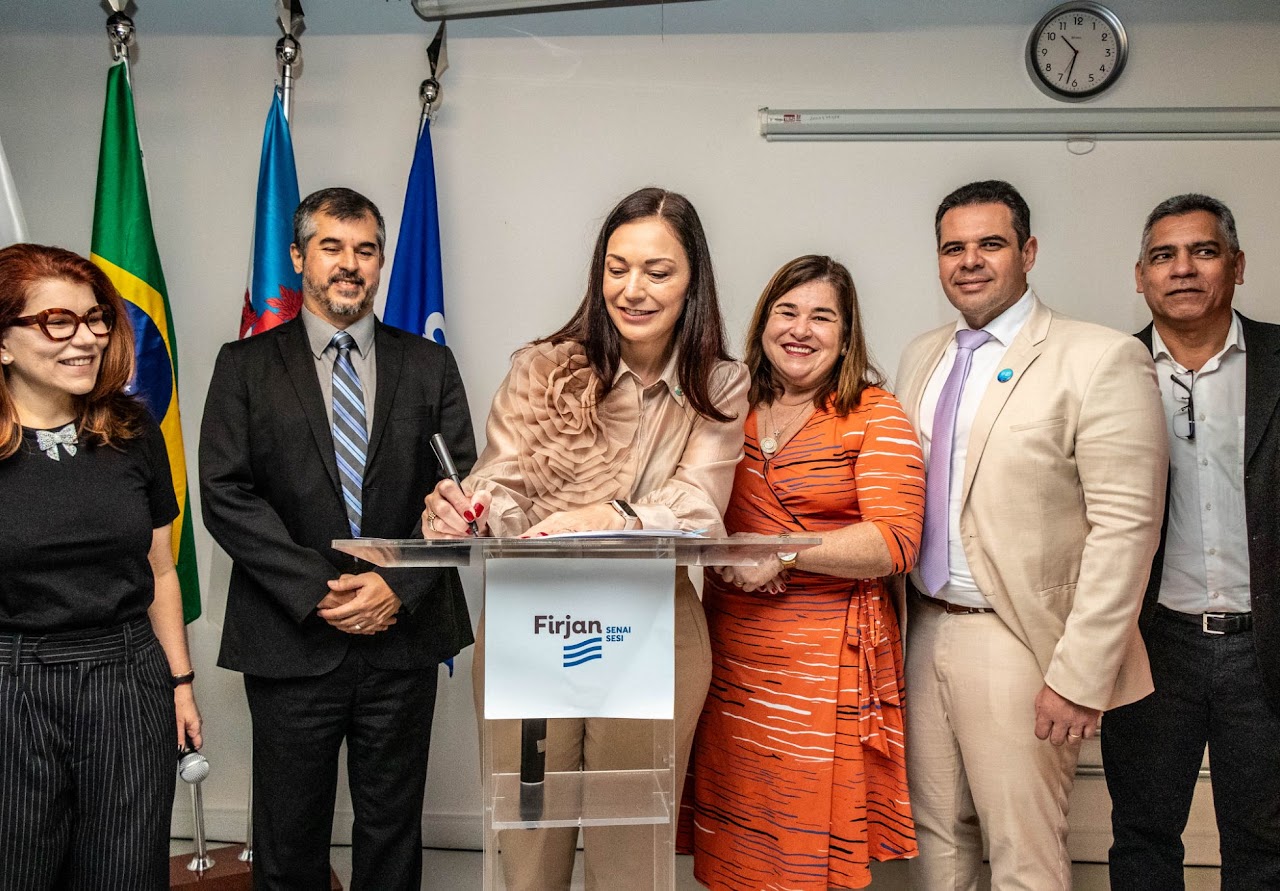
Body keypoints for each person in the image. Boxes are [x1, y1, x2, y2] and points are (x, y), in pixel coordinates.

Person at [424, 186, 748, 890]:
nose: (632, 289)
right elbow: (503, 483)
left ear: (693, 280)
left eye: (657, 271)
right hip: (533, 623)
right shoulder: (542, 367)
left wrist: (607, 514)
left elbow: (699, 506)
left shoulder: (719, 383)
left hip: (651, 627)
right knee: (527, 846)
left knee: (629, 859)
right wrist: (470, 509)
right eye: (616, 268)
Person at [199, 187, 476, 890]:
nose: (350, 264)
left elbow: (461, 491)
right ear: (298, 257)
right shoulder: (243, 365)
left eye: (366, 249)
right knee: (288, 839)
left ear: (381, 261)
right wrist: (321, 591)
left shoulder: (430, 365)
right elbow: (226, 496)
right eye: (332, 247)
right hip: (290, 636)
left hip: (403, 636)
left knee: (392, 833)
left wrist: (396, 584)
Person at [894, 180, 1167, 890]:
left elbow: (1126, 532)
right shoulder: (922, 356)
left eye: (990, 244)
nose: (969, 261)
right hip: (922, 626)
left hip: (1019, 637)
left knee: (1025, 855)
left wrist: (1080, 676)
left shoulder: (1097, 357)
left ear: (1029, 251)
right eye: (953, 247)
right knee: (936, 845)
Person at [681, 255, 924, 890]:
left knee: (805, 843)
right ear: (763, 322)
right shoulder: (726, 407)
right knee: (736, 841)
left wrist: (784, 551)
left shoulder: (873, 413)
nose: (800, 329)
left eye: (822, 317)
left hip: (824, 665)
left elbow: (895, 541)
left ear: (846, 334)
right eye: (786, 312)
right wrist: (730, 552)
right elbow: (687, 505)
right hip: (728, 657)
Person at [0, 243, 201, 889]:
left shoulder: (133, 428)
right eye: (57, 321)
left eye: (95, 319)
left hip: (128, 680)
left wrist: (180, 683)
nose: (86, 338)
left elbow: (161, 570)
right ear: (3, 343)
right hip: (12, 685)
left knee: (126, 874)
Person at [1102, 194, 1280, 889]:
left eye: (1203, 251)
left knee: (1264, 849)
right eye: (1163, 255)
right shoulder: (1105, 371)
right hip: (1151, 644)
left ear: (1237, 265)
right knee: (1143, 839)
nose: (1182, 268)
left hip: (1264, 648)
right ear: (1140, 276)